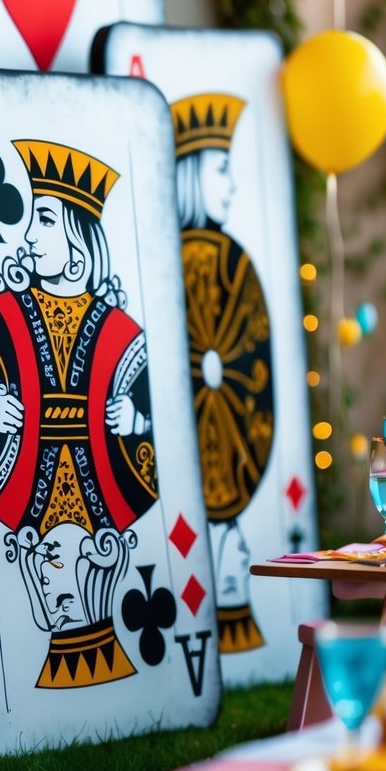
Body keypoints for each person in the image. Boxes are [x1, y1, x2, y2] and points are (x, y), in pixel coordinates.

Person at [0, 139, 157, 688]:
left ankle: (93, 646)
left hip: (101, 487)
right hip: (26, 488)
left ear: (78, 242)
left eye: (44, 220)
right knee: (50, 560)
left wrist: (134, 420)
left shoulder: (121, 329)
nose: (27, 235)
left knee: (81, 564)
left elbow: (154, 414)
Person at [171, 93, 271, 653]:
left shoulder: (232, 262)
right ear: (191, 175)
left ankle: (234, 612)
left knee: (225, 531)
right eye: (222, 170)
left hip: (225, 444)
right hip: (200, 448)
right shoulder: (177, 264)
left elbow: (249, 365)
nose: (232, 185)